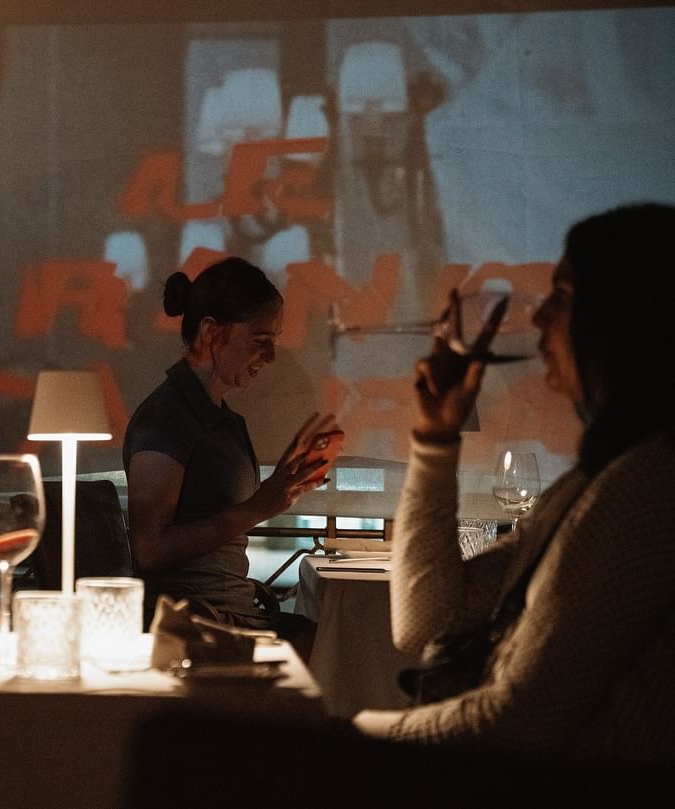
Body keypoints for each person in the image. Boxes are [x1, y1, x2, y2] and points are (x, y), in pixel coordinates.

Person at [353, 203, 675, 763]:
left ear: (624, 321)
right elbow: (426, 618)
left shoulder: (651, 482)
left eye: (563, 296)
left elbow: (518, 719)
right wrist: (434, 441)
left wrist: (350, 733)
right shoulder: (593, 482)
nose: (541, 316)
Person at [124, 258, 336, 638]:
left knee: (344, 640)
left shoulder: (223, 420)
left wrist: (279, 489)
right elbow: (149, 549)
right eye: (259, 341)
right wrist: (261, 505)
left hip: (233, 613)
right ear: (211, 333)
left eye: (274, 342)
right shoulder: (165, 418)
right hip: (196, 625)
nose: (270, 357)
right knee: (340, 648)